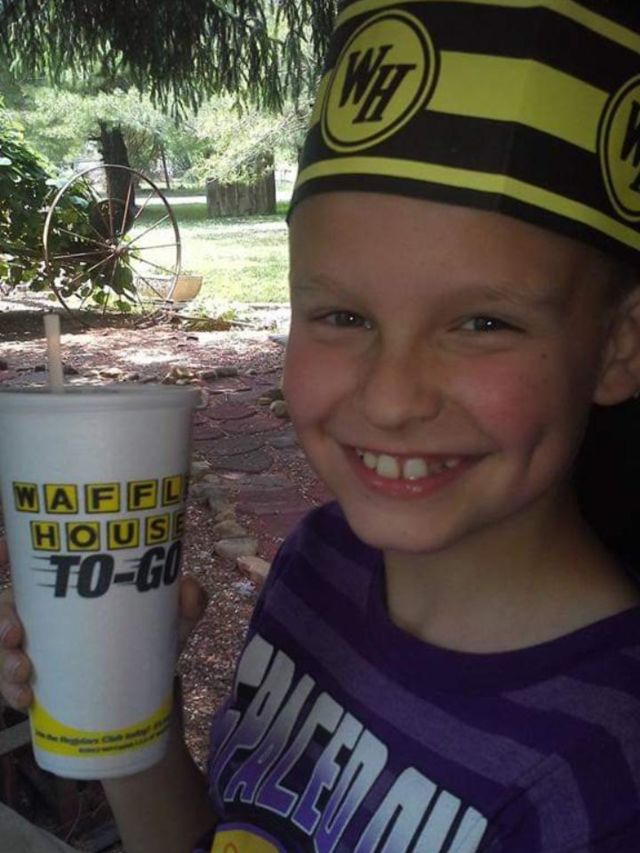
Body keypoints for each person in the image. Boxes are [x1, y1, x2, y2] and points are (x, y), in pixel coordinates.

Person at [3, 1, 640, 850]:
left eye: (483, 322)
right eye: (342, 315)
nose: (392, 398)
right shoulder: (318, 565)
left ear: (619, 343)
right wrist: (127, 711)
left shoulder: (604, 774)